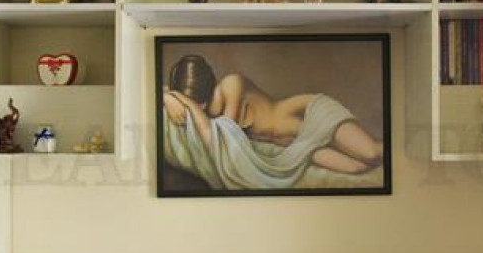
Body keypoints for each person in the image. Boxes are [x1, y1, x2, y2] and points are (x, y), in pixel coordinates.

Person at [163, 54, 383, 176]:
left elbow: (222, 137)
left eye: (192, 101)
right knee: (356, 168)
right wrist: (167, 97)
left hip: (308, 115)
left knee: (372, 153)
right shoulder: (206, 117)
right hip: (300, 146)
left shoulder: (231, 84)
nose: (194, 106)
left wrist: (178, 99)